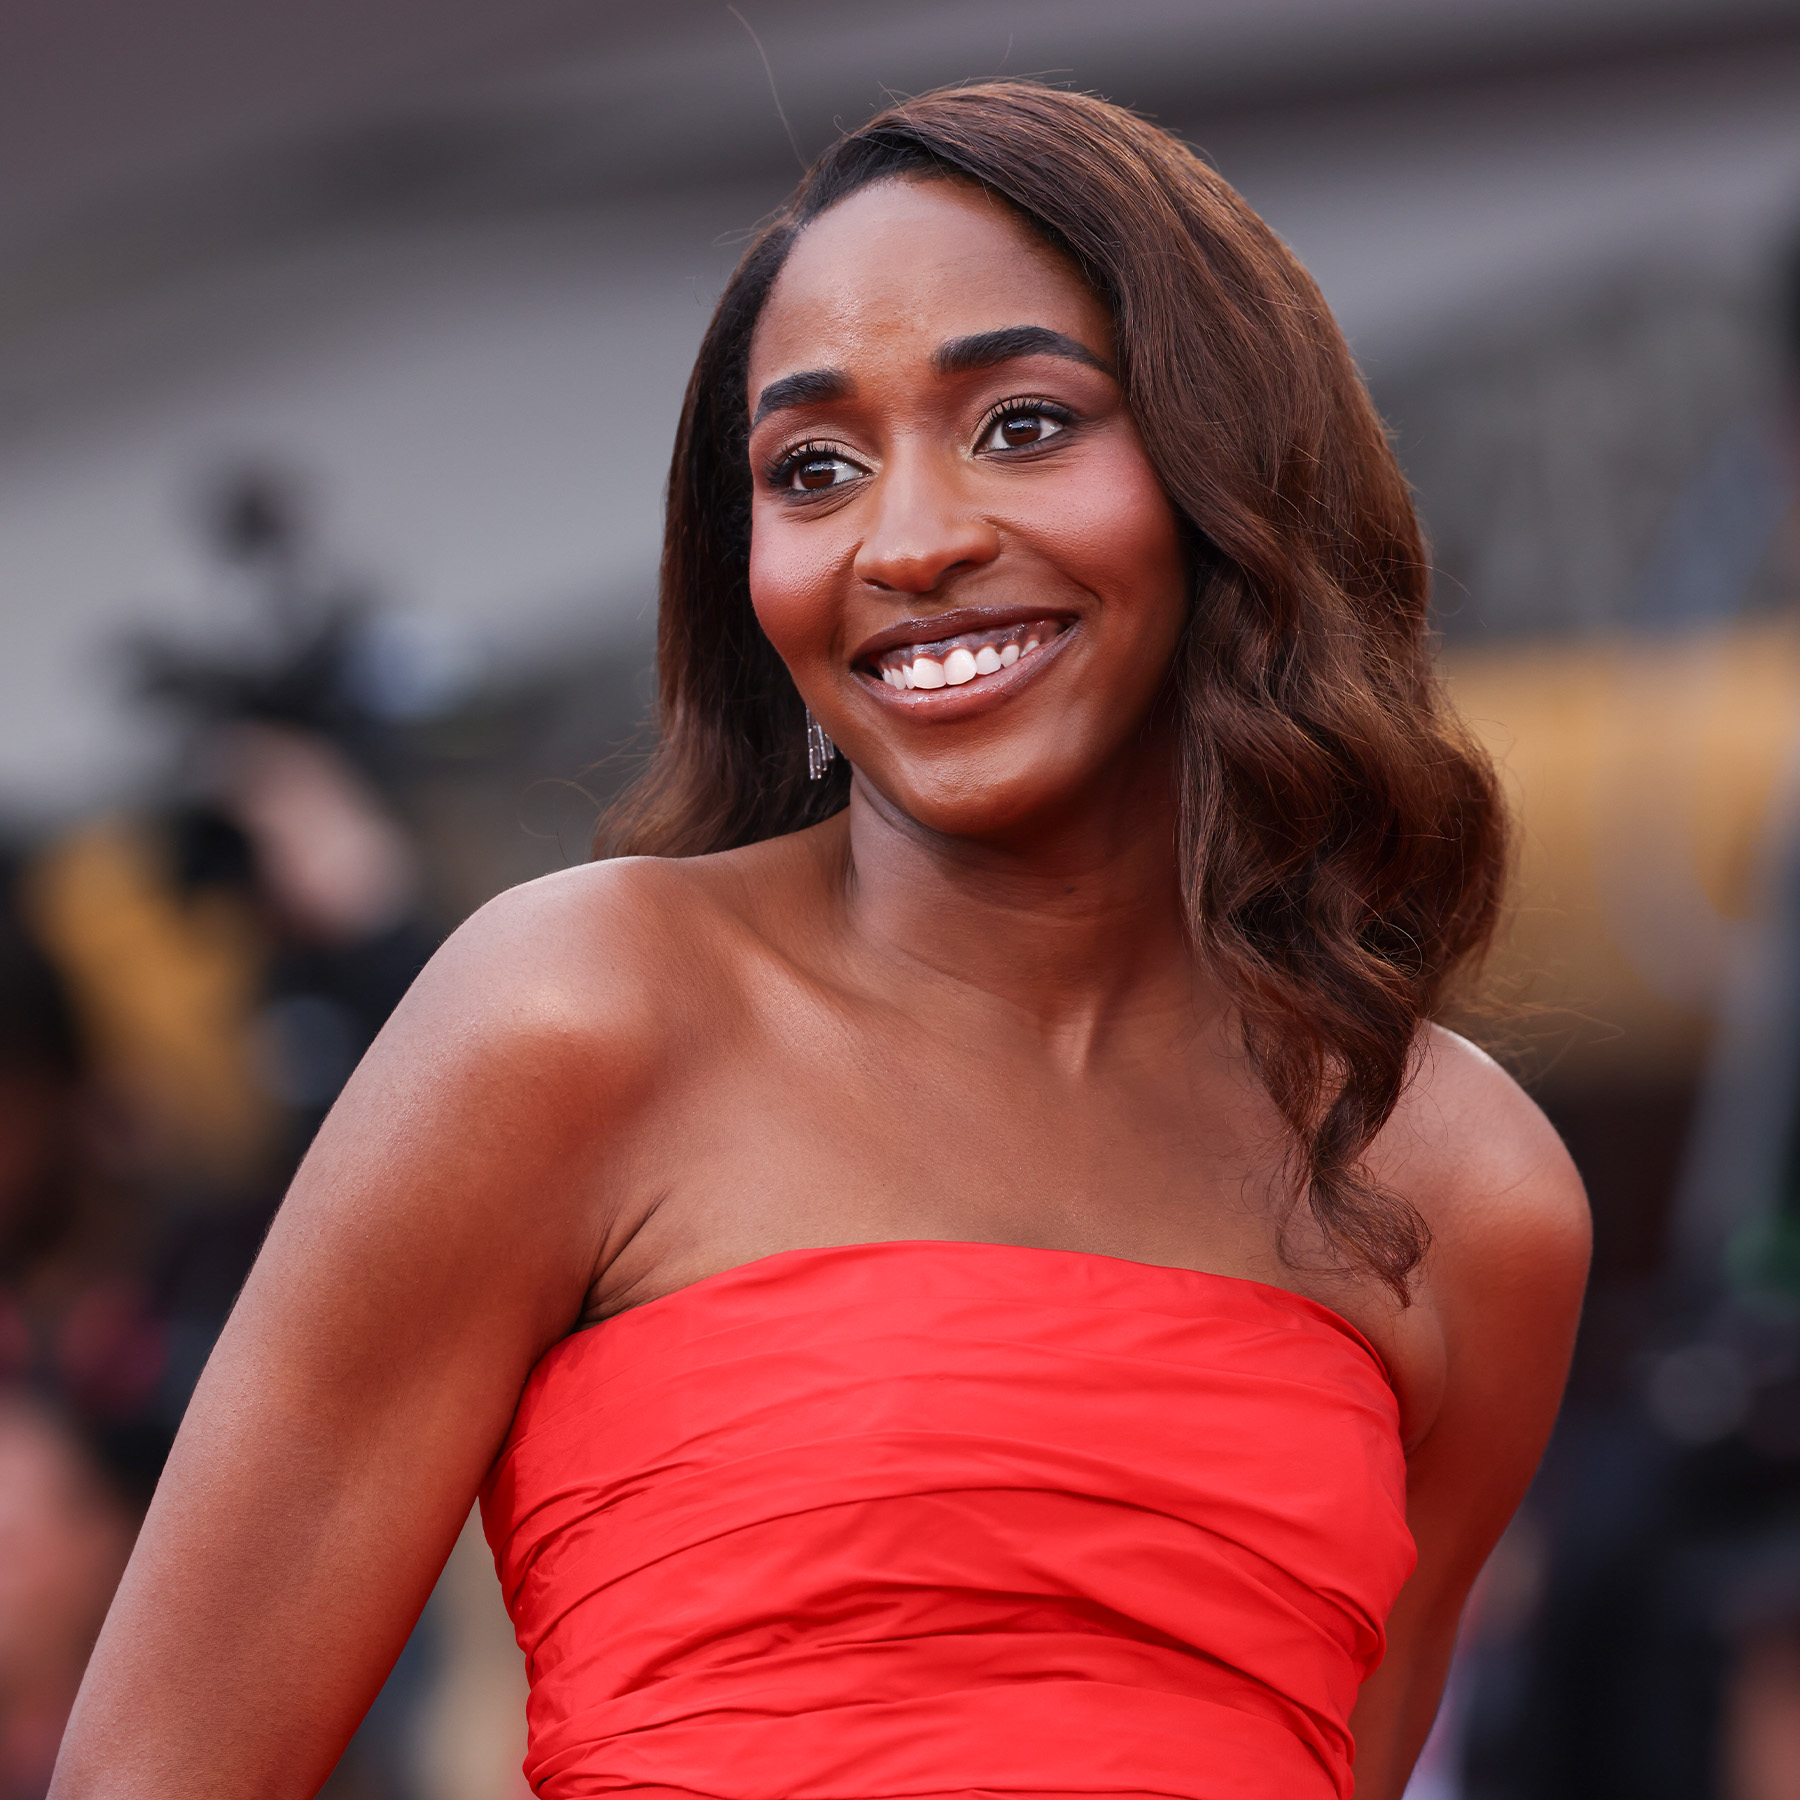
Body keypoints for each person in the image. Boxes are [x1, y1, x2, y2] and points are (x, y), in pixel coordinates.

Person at [50, 83, 1590, 1800]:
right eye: (815, 468)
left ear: (1231, 469)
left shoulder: (1467, 1193)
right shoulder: (576, 1017)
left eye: (1020, 424)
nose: (910, 540)